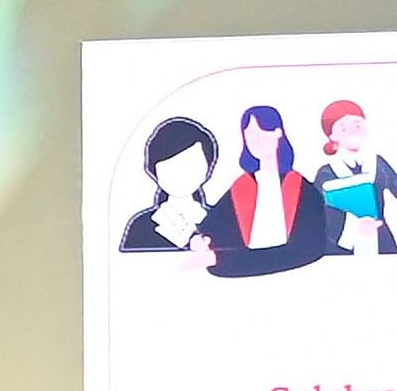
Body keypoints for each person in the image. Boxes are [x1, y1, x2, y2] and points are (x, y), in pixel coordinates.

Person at [198, 104, 329, 275]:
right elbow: (212, 229)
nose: (256, 140)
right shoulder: (242, 186)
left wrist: (223, 261)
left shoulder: (304, 191)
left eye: (262, 131)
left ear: (278, 132)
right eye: (250, 134)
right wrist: (199, 239)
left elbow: (309, 249)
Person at [117, 115, 219, 253]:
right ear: (154, 171)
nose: (181, 174)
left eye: (191, 165)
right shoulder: (140, 226)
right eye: (171, 166)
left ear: (207, 170)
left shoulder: (219, 222)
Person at [317, 100, 393, 254]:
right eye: (344, 128)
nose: (352, 131)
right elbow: (318, 210)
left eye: (357, 125)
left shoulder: (378, 164)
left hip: (379, 236)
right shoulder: (326, 173)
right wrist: (353, 225)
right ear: (331, 135)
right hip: (341, 242)